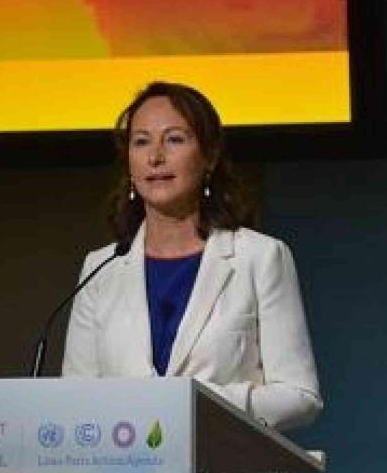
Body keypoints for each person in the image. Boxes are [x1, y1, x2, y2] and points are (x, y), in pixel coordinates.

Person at [62, 81, 322, 430]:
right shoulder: (100, 269)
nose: (155, 156)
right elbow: (73, 401)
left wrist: (193, 403)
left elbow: (300, 396)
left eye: (174, 139)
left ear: (209, 157)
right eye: (141, 142)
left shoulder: (260, 258)